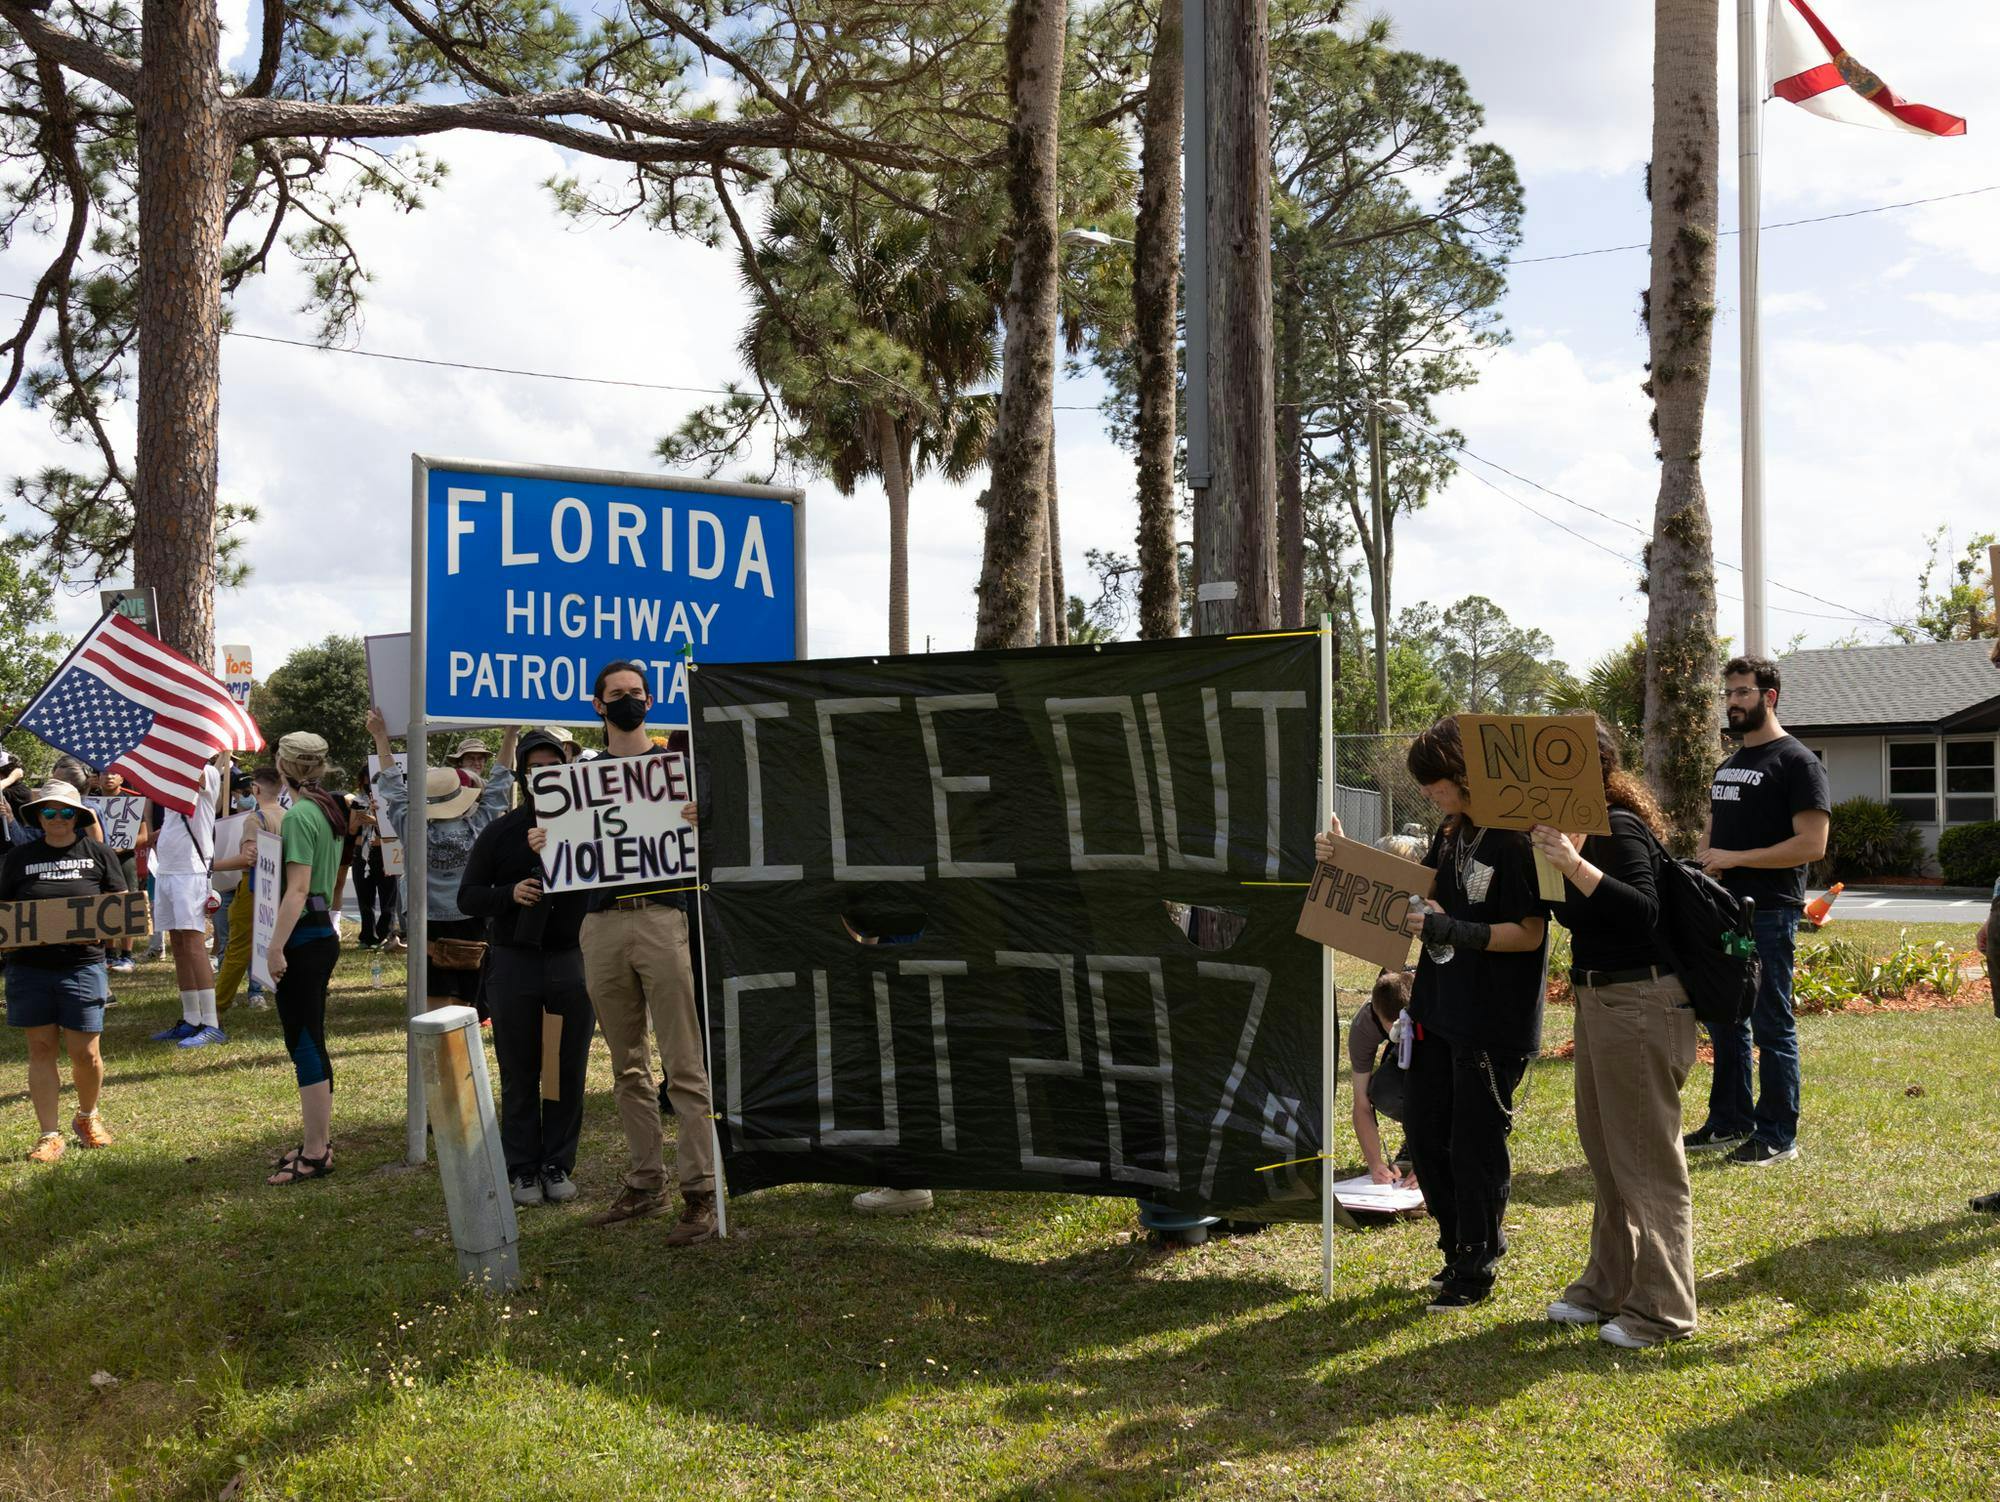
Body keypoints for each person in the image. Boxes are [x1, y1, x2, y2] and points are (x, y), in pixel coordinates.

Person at [1321, 715, 1547, 1312]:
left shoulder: (1515, 838)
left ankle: (1477, 1262)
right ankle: (1455, 1248)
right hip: (1437, 1012)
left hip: (1491, 1020)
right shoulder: (1451, 833)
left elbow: (1528, 934)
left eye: (1436, 781)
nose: (1429, 793)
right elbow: (1412, 895)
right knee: (1425, 1136)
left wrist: (1456, 929)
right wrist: (1345, 859)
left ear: (1466, 774)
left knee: (1474, 1144)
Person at [1531, 717, 1697, 1350]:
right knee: (1606, 1152)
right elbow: (1571, 915)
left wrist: (1574, 862)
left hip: (1641, 999)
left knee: (1646, 1159)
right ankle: (1608, 1285)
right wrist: (1549, 859)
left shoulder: (1619, 827)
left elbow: (1642, 910)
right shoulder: (1567, 833)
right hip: (1602, 1000)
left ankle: (1663, 1311)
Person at [576, 661, 716, 1244]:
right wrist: (542, 838)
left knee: (684, 1063)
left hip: (663, 919)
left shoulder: (679, 772)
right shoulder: (578, 779)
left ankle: (702, 1190)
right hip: (601, 923)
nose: (628, 701)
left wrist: (697, 820)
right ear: (597, 706)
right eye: (617, 695)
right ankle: (644, 1180)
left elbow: (715, 839)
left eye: (636, 693)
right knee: (625, 1063)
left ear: (651, 701)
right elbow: (565, 850)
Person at [1683, 656, 1831, 1167]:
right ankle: (1729, 1120)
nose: (1733, 702)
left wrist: (1736, 859)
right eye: (1729, 693)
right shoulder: (1729, 765)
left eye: (1743, 692)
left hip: (1768, 914)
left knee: (1771, 1023)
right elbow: (1712, 830)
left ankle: (1777, 1134)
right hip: (1722, 912)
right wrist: (1705, 865)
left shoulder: (1796, 762)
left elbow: (1812, 844)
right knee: (1726, 1019)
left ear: (1769, 697)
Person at [458, 730, 595, 1207]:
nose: (545, 777)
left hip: (568, 965)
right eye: (535, 770)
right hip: (515, 966)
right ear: (522, 776)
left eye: (553, 768)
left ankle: (557, 1163)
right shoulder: (501, 832)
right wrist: (509, 894)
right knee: (519, 1071)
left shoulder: (589, 826)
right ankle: (521, 1168)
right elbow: (468, 896)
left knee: (563, 1070)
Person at [2, 783, 127, 1162]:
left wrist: (126, 922)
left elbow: (121, 903)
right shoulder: (19, 858)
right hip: (29, 969)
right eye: (50, 812)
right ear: (38, 817)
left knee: (85, 1053)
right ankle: (48, 1134)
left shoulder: (99, 854)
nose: (58, 819)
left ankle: (87, 1117)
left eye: (66, 812)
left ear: (78, 816)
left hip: (83, 965)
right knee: (40, 1049)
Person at [368, 708, 515, 1014]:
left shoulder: (412, 826)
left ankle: (435, 1055)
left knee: (432, 996)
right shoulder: (480, 824)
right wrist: (511, 733)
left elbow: (393, 788)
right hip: (470, 916)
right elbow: (500, 783)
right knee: (466, 998)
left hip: (426, 920)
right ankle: (461, 1055)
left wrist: (380, 737)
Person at [262, 733, 347, 1186]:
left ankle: (316, 1150)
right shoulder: (329, 809)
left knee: (305, 1042)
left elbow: (297, 890)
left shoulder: (301, 817)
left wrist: (275, 947)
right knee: (311, 1036)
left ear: (283, 766)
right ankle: (318, 1141)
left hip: (303, 938)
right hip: (320, 934)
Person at [145, 753, 229, 1047]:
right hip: (168, 869)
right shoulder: (170, 779)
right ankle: (191, 1018)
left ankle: (212, 1023)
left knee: (193, 943)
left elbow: (191, 776)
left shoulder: (206, 772)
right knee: (179, 943)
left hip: (190, 870)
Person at [213, 766, 286, 1014]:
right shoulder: (288, 815)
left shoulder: (256, 818)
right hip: (280, 891)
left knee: (237, 948)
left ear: (256, 789)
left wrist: (211, 865)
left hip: (253, 889)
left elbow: (247, 859)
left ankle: (219, 1003)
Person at [1349, 969, 1416, 1186]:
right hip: (1404, 1060)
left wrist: (1435, 1161)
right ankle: (1415, 1140)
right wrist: (1375, 1163)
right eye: (1396, 1032)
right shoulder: (1364, 1026)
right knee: (1384, 1091)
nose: (1402, 1034)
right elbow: (1361, 1103)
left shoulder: (1439, 1009)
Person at [350, 795, 401, 950]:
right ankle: (367, 935)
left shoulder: (392, 802)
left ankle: (385, 933)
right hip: (363, 852)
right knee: (364, 896)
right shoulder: (359, 801)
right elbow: (352, 830)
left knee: (389, 897)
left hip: (385, 850)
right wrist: (360, 819)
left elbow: (394, 829)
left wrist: (375, 820)